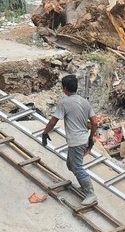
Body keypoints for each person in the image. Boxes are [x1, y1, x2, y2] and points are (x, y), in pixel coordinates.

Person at [42, 74, 98, 208]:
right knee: (71, 165)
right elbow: (95, 122)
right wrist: (91, 138)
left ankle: (91, 194)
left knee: (77, 167)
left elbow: (53, 121)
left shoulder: (64, 103)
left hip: (75, 142)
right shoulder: (84, 101)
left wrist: (45, 132)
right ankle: (84, 186)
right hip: (83, 139)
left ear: (65, 88)